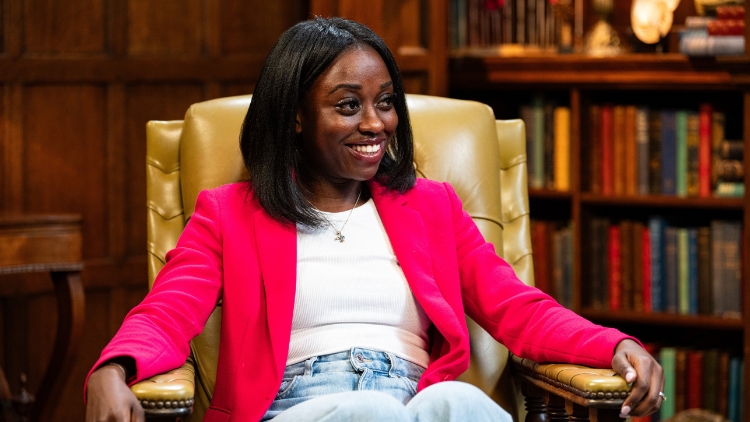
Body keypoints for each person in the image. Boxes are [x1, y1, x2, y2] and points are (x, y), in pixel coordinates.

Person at [85, 17, 664, 422]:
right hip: (297, 408)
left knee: (461, 407)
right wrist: (113, 368)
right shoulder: (229, 215)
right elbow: (165, 314)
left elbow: (516, 306)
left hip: (417, 404)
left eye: (385, 102)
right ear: (293, 117)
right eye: (347, 105)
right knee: (366, 412)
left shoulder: (431, 207)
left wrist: (613, 345)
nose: (375, 123)